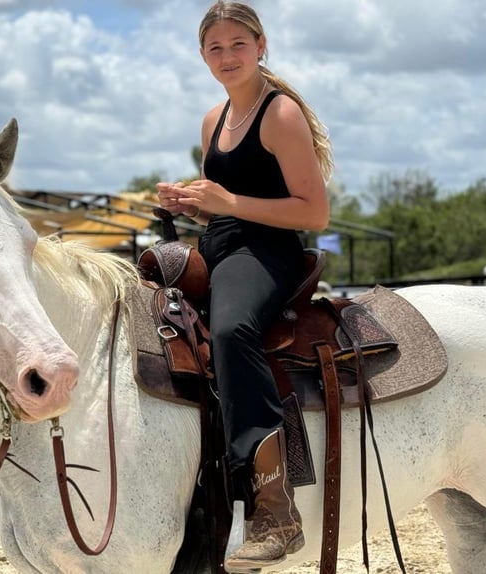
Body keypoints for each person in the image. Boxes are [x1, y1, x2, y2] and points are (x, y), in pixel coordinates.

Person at [156, 1, 333, 571]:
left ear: (261, 46)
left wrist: (228, 203)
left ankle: (276, 509)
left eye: (238, 44)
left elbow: (315, 212)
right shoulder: (212, 120)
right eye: (215, 47)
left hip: (267, 252)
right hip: (219, 245)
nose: (227, 56)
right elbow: (222, 204)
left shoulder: (279, 115)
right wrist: (191, 202)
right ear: (202, 56)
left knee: (232, 330)